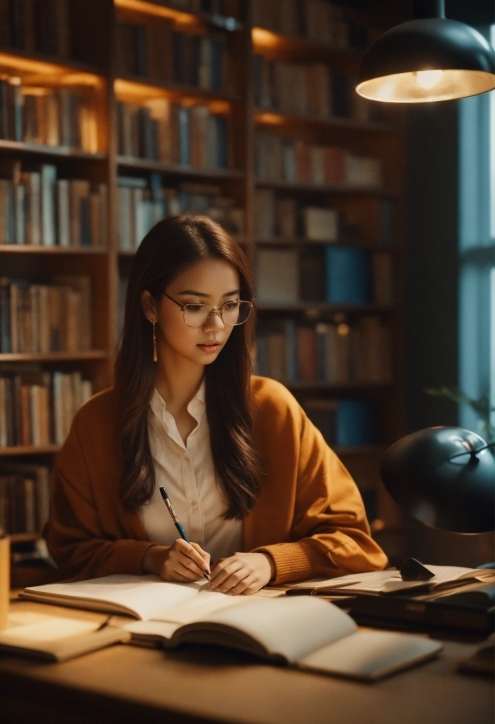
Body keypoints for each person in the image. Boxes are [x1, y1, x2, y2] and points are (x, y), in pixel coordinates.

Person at [45, 215, 387, 594]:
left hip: (259, 626)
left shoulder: (273, 410)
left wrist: (269, 562)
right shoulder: (97, 423)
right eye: (194, 307)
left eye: (229, 305)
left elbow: (354, 542)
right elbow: (70, 551)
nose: (216, 326)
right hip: (143, 631)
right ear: (150, 306)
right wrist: (150, 557)